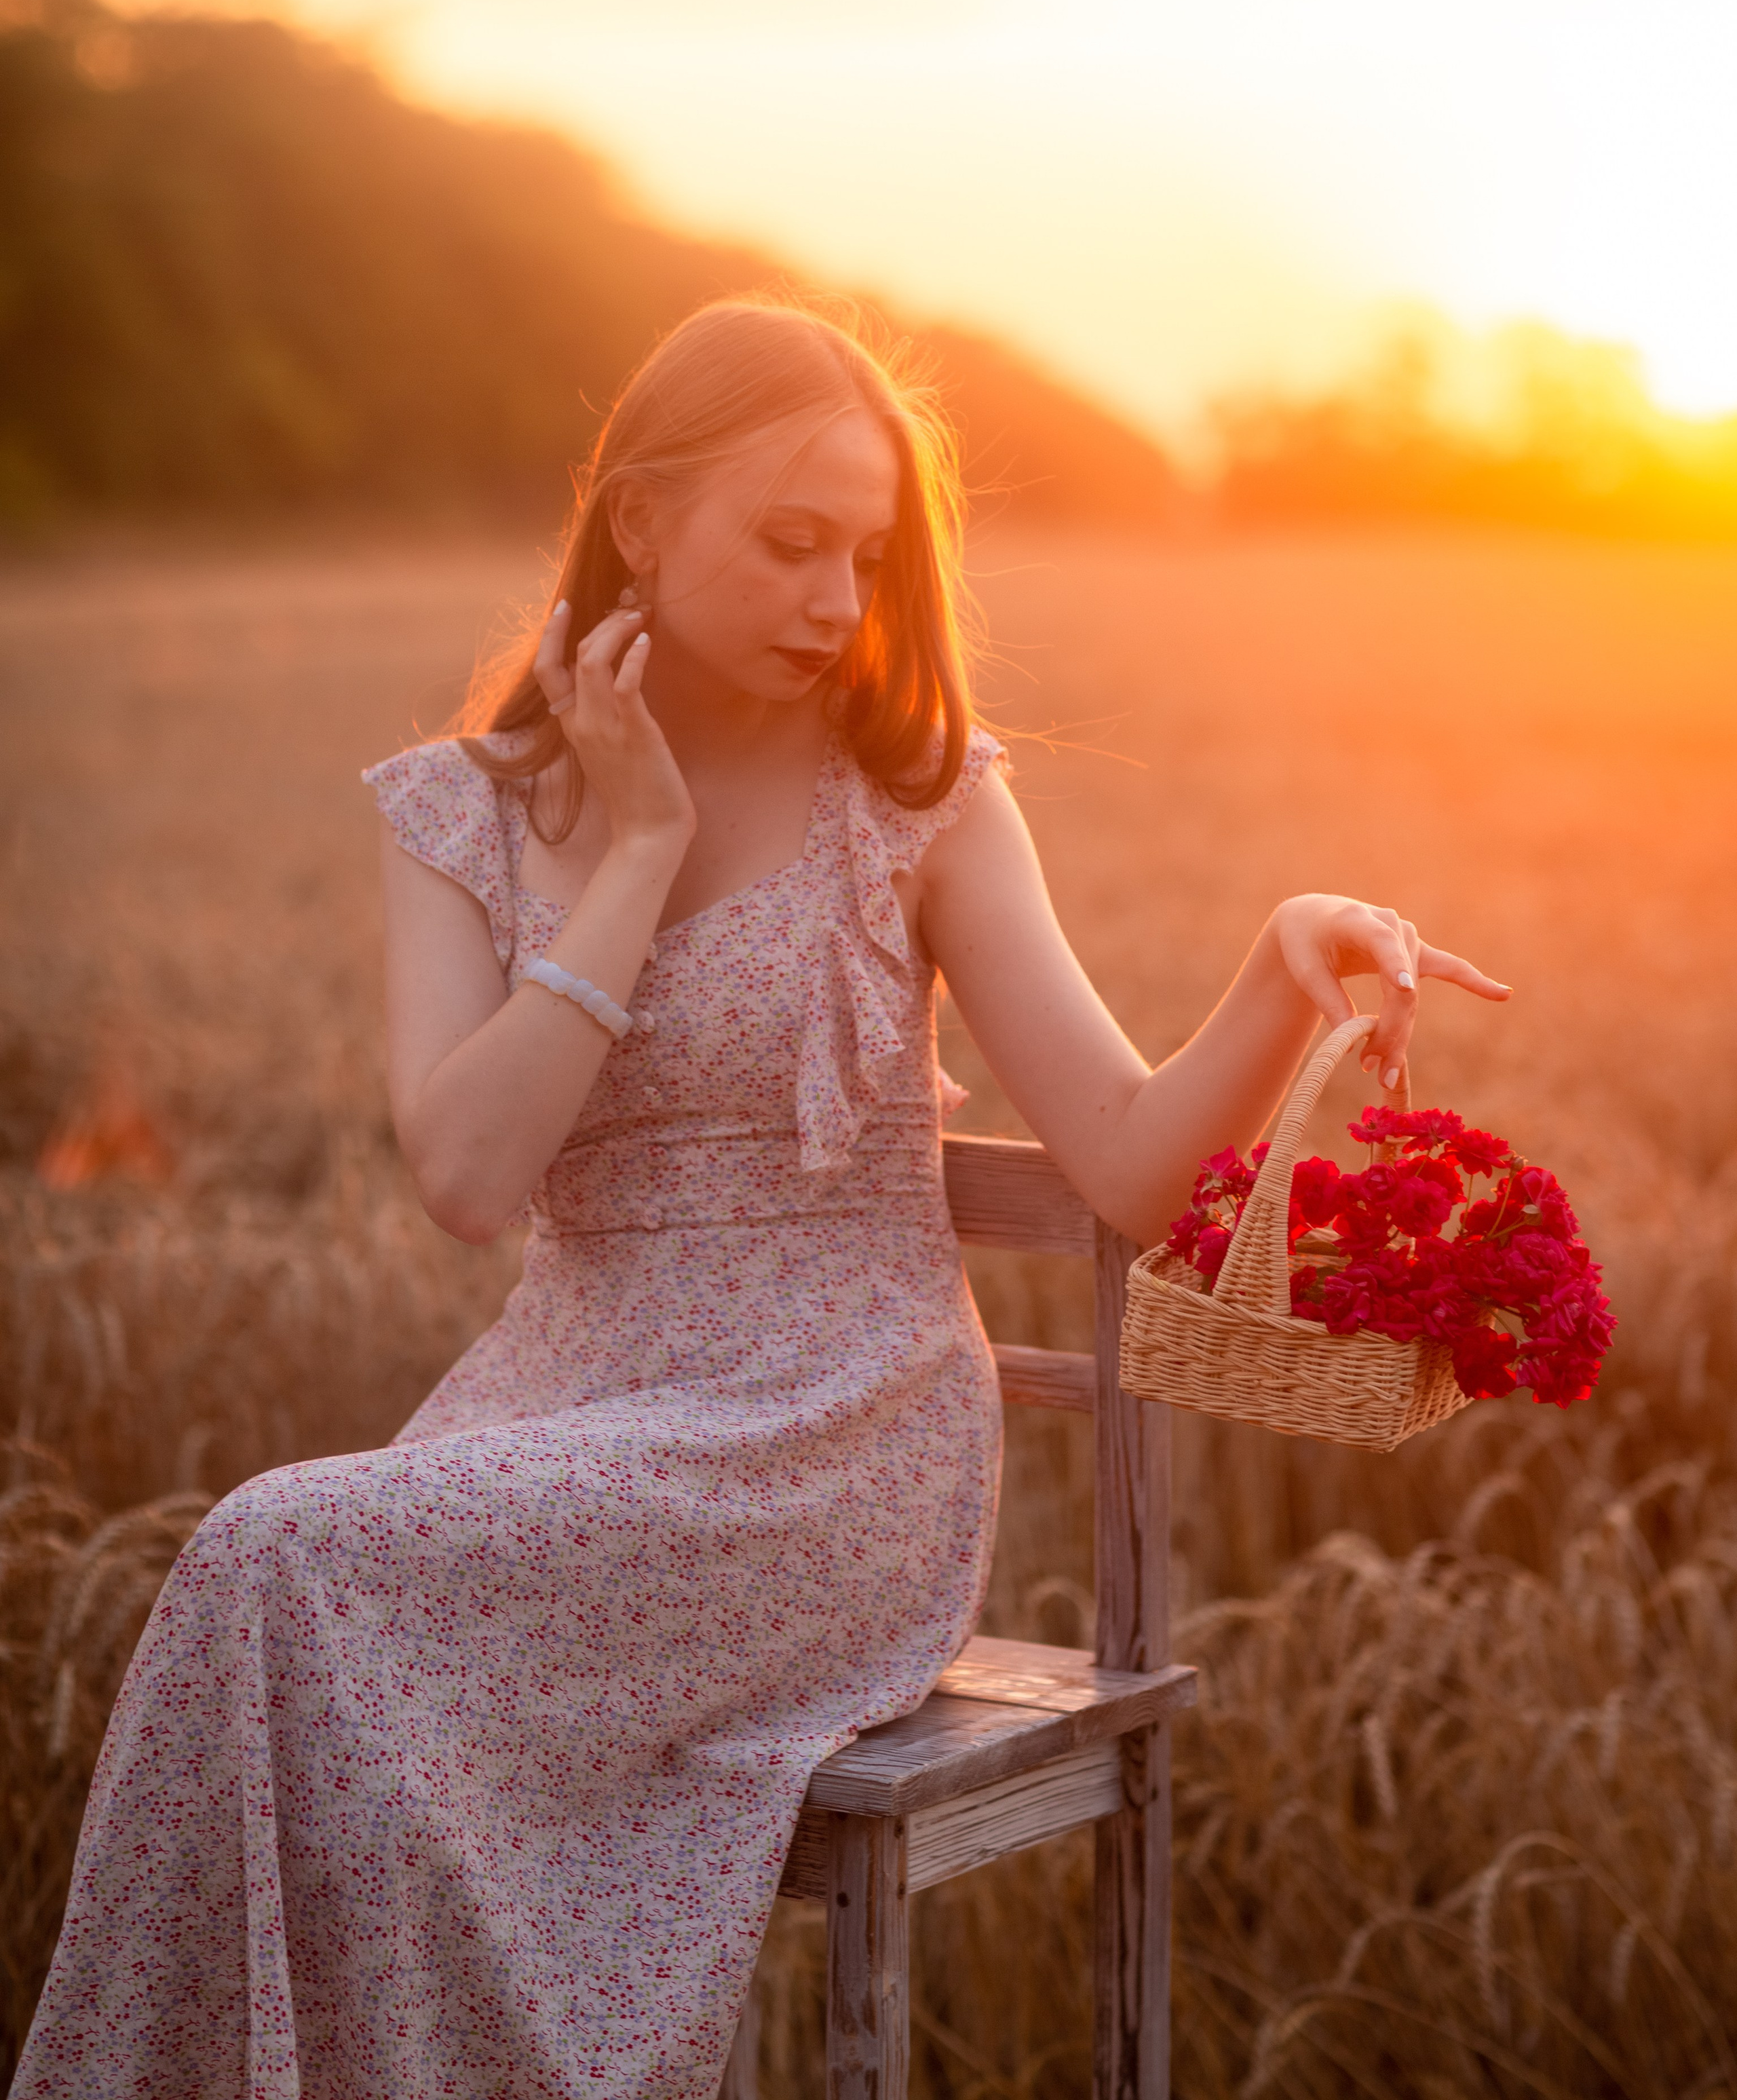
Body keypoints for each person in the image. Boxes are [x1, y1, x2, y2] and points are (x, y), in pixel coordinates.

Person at [14, 297, 1509, 2099]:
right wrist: (637, 846)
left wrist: (1278, 964)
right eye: (791, 543)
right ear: (641, 520)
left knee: (278, 1552)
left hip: (834, 1445)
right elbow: (469, 1179)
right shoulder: (461, 816)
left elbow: (1122, 1157)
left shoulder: (921, 803)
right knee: (295, 1626)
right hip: (560, 1414)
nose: (838, 601)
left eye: (868, 558)